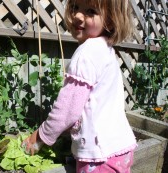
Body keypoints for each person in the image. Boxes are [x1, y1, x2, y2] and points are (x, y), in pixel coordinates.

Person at [22, 0, 137, 172]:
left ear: (111, 21)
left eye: (90, 11)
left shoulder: (87, 52)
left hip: (99, 157)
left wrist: (39, 137)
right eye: (75, 7)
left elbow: (67, 109)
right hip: (120, 148)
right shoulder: (105, 49)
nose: (77, 15)